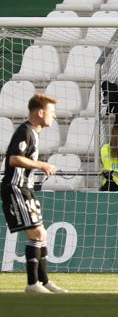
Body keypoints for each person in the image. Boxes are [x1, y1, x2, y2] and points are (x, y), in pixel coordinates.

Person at [2, 93, 67, 294]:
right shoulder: (25, 131)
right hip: (15, 188)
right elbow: (14, 159)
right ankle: (32, 284)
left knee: (42, 234)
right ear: (40, 113)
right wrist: (42, 164)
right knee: (37, 233)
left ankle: (44, 281)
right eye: (51, 112)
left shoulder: (33, 133)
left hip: (26, 188)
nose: (53, 117)